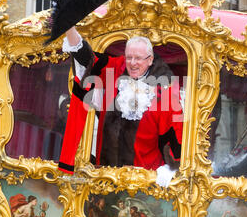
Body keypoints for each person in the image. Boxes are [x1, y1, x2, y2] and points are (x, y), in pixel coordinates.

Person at [58, 26, 184, 187]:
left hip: (146, 178)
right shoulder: (115, 69)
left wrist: (170, 168)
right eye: (129, 57)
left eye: (138, 58)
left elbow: (176, 133)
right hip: (107, 173)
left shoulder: (165, 89)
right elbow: (88, 60)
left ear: (150, 59)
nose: (132, 63)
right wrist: (69, 29)